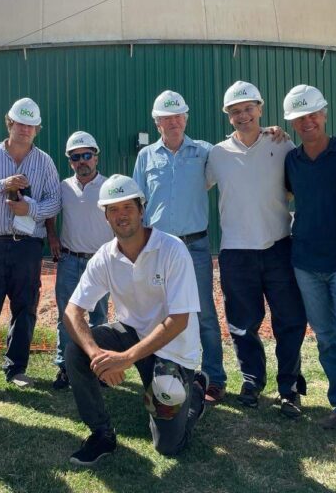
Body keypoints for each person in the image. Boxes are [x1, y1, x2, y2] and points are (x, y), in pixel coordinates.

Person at [64, 174, 207, 466]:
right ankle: (101, 434)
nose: (121, 215)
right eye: (113, 209)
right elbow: (72, 311)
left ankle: (193, 392)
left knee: (168, 446)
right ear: (105, 217)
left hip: (173, 350)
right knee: (76, 349)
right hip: (132, 337)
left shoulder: (172, 249)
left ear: (142, 209)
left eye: (128, 207)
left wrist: (125, 359)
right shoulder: (105, 257)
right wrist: (96, 355)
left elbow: (179, 320)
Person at [206, 80, 307, 418]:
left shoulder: (282, 143)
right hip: (236, 251)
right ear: (228, 116)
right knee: (242, 323)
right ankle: (252, 381)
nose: (243, 115)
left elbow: (295, 187)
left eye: (248, 108)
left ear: (260, 109)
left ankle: (289, 388)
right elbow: (196, 185)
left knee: (290, 320)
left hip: (278, 246)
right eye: (235, 111)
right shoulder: (217, 154)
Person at [282, 85, 336, 439]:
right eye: (299, 118)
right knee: (326, 338)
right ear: (291, 124)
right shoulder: (292, 160)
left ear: (324, 113)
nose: (307, 122)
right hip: (305, 262)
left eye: (312, 115)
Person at [132, 91, 227, 404]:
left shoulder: (204, 152)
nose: (173, 122)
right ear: (157, 123)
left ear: (186, 118)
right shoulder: (146, 157)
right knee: (160, 313)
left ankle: (214, 378)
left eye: (178, 116)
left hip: (194, 246)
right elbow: (138, 202)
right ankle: (165, 373)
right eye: (166, 118)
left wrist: (269, 134)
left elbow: (237, 151)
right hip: (158, 247)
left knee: (204, 313)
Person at [0, 98, 60, 397]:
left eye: (30, 125)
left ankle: (16, 369)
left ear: (37, 129)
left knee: (25, 308)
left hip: (27, 246)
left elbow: (55, 201)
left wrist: (30, 209)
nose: (24, 129)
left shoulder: (44, 162)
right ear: (9, 123)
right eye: (20, 124)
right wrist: (3, 184)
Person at [46, 131, 112, 390]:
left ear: (96, 157)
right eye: (76, 157)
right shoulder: (63, 187)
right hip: (70, 260)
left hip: (100, 262)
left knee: (99, 317)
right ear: (70, 161)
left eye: (86, 155)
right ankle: (65, 368)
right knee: (67, 317)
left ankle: (99, 367)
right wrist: (52, 236)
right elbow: (50, 213)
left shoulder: (108, 187)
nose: (82, 161)